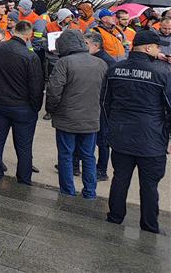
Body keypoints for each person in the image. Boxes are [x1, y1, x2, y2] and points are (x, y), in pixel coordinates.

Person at [102, 29, 171, 234]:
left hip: (121, 135)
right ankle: (149, 226)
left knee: (120, 179)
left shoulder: (115, 69)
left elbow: (105, 103)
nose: (159, 51)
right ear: (149, 48)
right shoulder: (162, 73)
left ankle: (115, 217)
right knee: (149, 185)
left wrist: (111, 128)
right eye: (157, 47)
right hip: (152, 139)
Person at [45, 29, 108, 199]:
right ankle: (90, 192)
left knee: (66, 155)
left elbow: (54, 91)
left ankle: (67, 191)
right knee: (88, 156)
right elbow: (105, 93)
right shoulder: (101, 64)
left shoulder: (64, 63)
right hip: (91, 118)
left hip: (67, 119)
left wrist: (51, 110)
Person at [0, 19, 44, 185]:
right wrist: (35, 107)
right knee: (24, 146)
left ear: (13, 31)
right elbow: (36, 86)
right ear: (29, 35)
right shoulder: (30, 56)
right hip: (22, 107)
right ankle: (24, 179)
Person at [85, 30, 115, 181]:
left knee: (102, 139)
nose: (83, 46)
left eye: (86, 43)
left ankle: (101, 170)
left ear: (96, 45)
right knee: (83, 133)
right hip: (90, 102)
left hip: (102, 104)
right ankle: (75, 163)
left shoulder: (107, 62)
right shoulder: (90, 58)